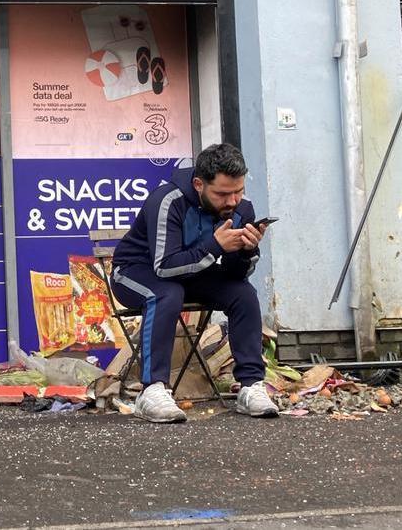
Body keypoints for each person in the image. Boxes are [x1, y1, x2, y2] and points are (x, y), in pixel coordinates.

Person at [111, 143, 278, 423]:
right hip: (135, 272)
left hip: (192, 273)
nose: (233, 201)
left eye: (238, 191)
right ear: (199, 184)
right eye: (223, 194)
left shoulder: (242, 209)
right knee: (167, 292)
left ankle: (251, 386)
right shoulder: (167, 200)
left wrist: (248, 251)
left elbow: (237, 274)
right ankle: (152, 390)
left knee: (244, 294)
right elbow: (164, 267)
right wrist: (215, 246)